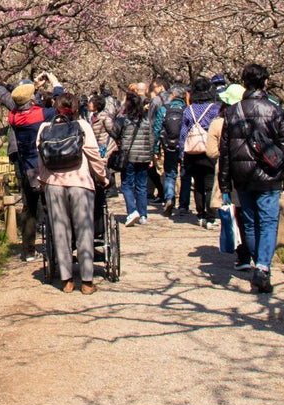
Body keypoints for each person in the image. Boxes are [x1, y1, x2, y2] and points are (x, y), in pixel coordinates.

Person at [218, 63, 284, 294]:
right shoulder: (276, 110)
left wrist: (224, 182)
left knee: (250, 223)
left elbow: (225, 151)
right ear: (266, 83)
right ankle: (263, 267)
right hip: (269, 174)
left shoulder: (232, 112)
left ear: (243, 84)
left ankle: (258, 265)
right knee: (269, 221)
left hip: (242, 176)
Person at [37, 91, 103, 294]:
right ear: (75, 109)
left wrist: (43, 180)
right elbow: (93, 154)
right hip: (80, 183)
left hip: (54, 184)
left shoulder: (44, 128)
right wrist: (102, 177)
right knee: (84, 230)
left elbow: (41, 158)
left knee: (60, 230)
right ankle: (87, 281)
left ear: (56, 108)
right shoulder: (82, 126)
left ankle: (66, 280)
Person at [0, 75, 57, 261]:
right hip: (42, 165)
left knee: (28, 206)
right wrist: (53, 82)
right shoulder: (39, 114)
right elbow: (59, 104)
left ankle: (28, 249)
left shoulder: (13, 115)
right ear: (31, 99)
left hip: (24, 165)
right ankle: (53, 244)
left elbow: (8, 96)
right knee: (49, 204)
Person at [209, 84, 250, 269]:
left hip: (229, 173)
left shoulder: (219, 123)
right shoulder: (252, 119)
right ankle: (258, 255)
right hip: (253, 174)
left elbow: (211, 152)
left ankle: (243, 254)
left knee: (237, 213)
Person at [179, 78, 221, 225]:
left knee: (198, 184)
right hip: (208, 149)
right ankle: (210, 216)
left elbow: (183, 133)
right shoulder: (215, 109)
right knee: (210, 184)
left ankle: (200, 214)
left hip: (192, 151)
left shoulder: (188, 110)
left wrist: (181, 154)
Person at [111, 90, 155, 226]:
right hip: (144, 157)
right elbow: (151, 139)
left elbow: (114, 133)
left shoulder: (124, 120)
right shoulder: (146, 120)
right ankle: (143, 215)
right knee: (141, 186)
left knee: (126, 185)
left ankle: (132, 211)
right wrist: (151, 155)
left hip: (128, 156)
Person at [155, 83, 187, 216]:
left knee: (170, 173)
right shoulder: (187, 109)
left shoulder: (164, 109)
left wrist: (155, 148)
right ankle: (184, 205)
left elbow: (157, 129)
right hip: (185, 147)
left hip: (169, 146)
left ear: (173, 95)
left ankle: (169, 198)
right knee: (185, 174)